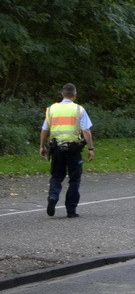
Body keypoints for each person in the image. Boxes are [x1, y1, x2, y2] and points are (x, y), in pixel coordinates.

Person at [39, 83, 95, 218]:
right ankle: (71, 210)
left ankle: (52, 197)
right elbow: (86, 130)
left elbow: (44, 130)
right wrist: (90, 148)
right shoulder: (79, 109)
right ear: (74, 95)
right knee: (74, 179)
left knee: (57, 176)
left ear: (62, 94)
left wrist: (42, 146)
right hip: (73, 149)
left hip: (56, 148)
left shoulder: (52, 109)